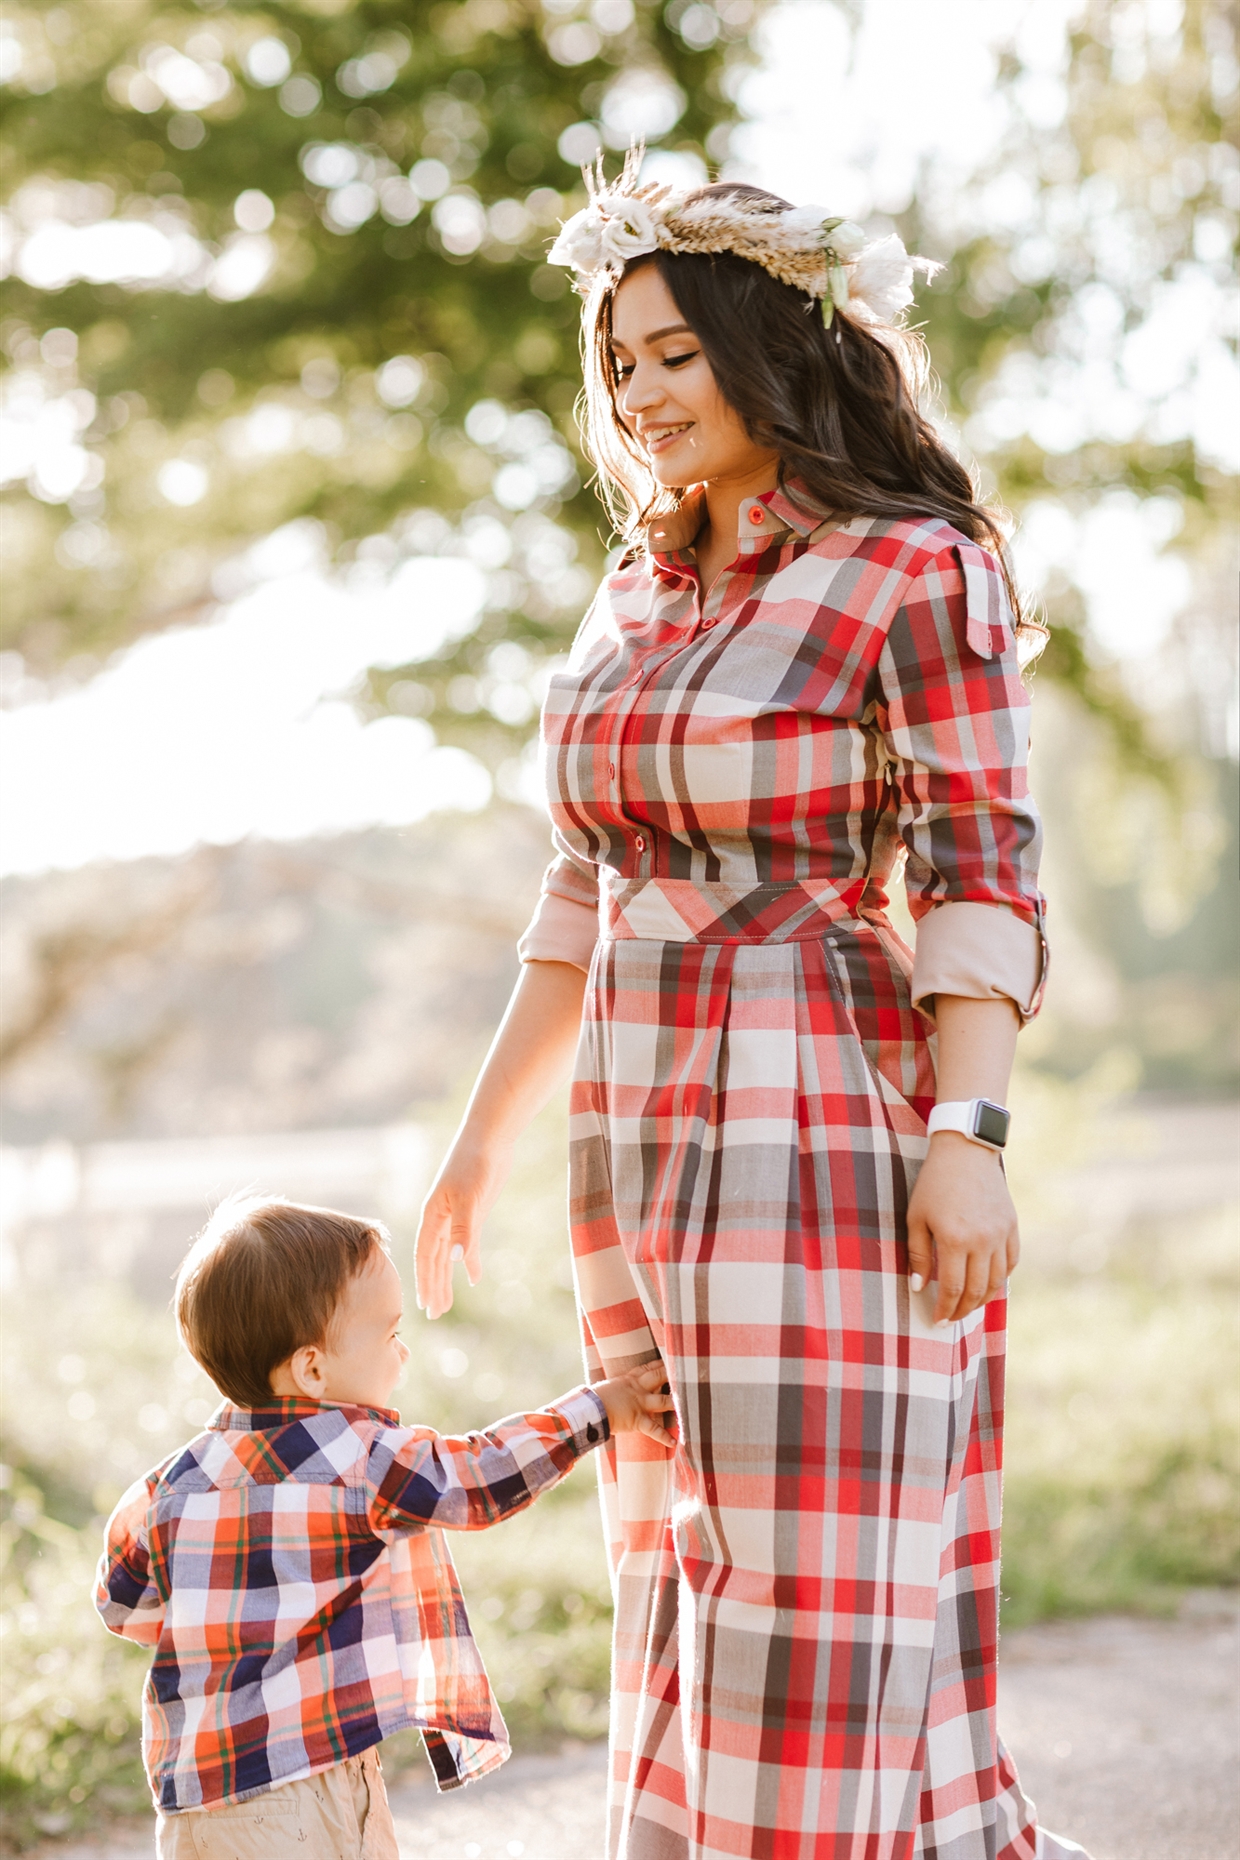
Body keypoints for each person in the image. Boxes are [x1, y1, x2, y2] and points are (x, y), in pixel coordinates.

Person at [415, 162, 1091, 1860]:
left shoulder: (912, 565)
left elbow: (981, 873)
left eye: (669, 355)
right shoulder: (634, 587)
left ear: (764, 347)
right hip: (633, 1115)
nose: (638, 396)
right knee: (681, 1548)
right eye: (616, 365)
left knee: (818, 1565)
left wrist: (971, 1139)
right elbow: (580, 889)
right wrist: (473, 1147)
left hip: (817, 1100)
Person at [94, 1195, 675, 1858]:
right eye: (390, 1334)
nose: (402, 1354)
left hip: (195, 1804)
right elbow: (477, 1480)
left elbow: (121, 1603)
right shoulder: (362, 1457)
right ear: (312, 1368)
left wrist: (220, 1623)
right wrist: (601, 1408)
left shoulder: (169, 1484)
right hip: (305, 1793)